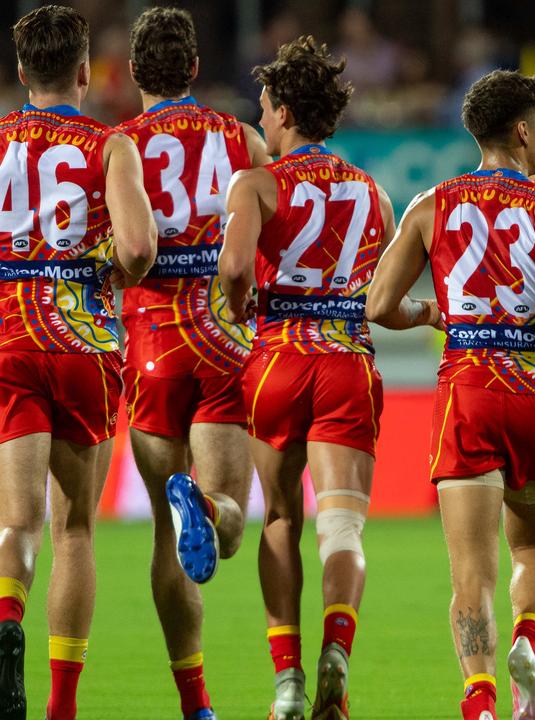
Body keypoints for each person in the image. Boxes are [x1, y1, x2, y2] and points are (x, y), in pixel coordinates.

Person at [365, 69, 535, 720]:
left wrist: (433, 315)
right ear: (520, 130)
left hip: (467, 391)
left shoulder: (431, 205)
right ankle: (528, 639)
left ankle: (479, 700)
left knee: (469, 573)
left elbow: (378, 304)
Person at [220, 36, 390, 720]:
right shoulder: (373, 194)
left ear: (285, 112)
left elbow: (234, 269)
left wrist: (242, 310)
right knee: (343, 531)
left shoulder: (257, 183)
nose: (262, 121)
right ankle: (337, 655)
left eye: (265, 109)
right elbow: (381, 290)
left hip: (279, 358)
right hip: (347, 360)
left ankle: (287, 682)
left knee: (282, 516)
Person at [0, 6, 156, 719]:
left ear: (23, 71)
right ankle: (62, 708)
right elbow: (137, 251)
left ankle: (7, 625)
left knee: (16, 522)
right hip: (82, 342)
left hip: (7, 336)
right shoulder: (110, 146)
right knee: (75, 529)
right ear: (85, 73)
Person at [116, 8, 271, 718]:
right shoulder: (241, 138)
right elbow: (276, 224)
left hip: (150, 341)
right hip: (224, 338)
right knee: (229, 523)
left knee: (164, 535)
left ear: (134, 75)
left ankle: (196, 702)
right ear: (196, 69)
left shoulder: (120, 145)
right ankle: (206, 504)